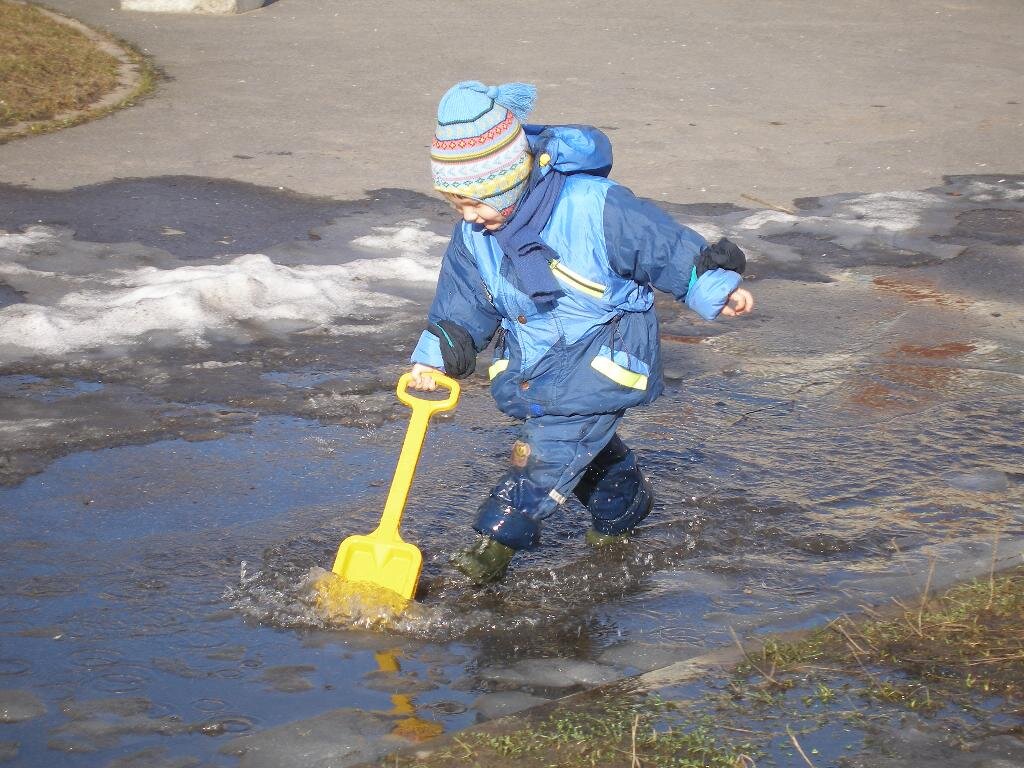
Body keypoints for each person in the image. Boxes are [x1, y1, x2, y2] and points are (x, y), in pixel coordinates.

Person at [408, 80, 754, 585]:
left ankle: (491, 548)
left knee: (542, 457)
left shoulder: (593, 206)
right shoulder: (476, 235)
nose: (468, 217)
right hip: (538, 358)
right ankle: (623, 503)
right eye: (455, 204)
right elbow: (464, 300)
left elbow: (662, 246)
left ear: (506, 180)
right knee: (579, 445)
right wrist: (435, 355)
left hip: (603, 352)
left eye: (474, 202)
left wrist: (712, 285)